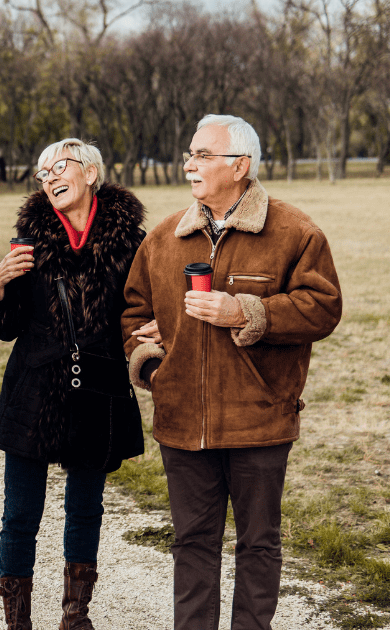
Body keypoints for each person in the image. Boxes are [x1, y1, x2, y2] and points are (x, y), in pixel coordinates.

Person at [122, 114, 342, 630]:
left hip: (259, 419)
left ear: (240, 166)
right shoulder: (162, 240)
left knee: (258, 544)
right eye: (189, 154)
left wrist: (247, 312)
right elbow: (133, 315)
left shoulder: (295, 232)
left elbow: (322, 307)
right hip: (182, 423)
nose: (189, 164)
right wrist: (154, 370)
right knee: (192, 543)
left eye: (203, 155)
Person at [0, 138, 146, 630]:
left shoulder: (131, 241)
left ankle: (75, 615)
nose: (48, 177)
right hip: (35, 390)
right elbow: (8, 326)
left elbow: (141, 310)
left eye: (58, 167)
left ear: (90, 173)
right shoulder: (30, 239)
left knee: (87, 508)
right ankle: (17, 621)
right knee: (20, 512)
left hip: (100, 389)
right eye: (41, 171)